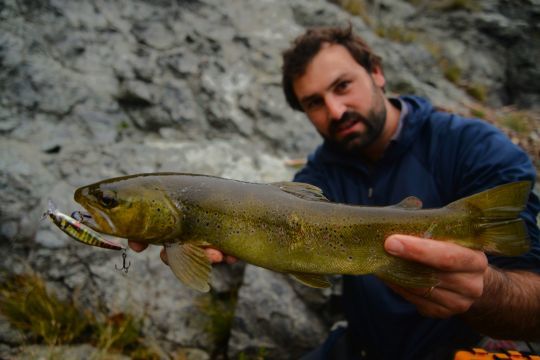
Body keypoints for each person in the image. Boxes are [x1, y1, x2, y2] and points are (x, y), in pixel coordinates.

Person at [130, 25, 540, 359]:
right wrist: (217, 241)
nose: (336, 110)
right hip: (362, 348)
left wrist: (485, 291)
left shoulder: (477, 149)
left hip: (470, 349)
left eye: (343, 86)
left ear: (376, 72)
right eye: (315, 103)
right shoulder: (315, 178)